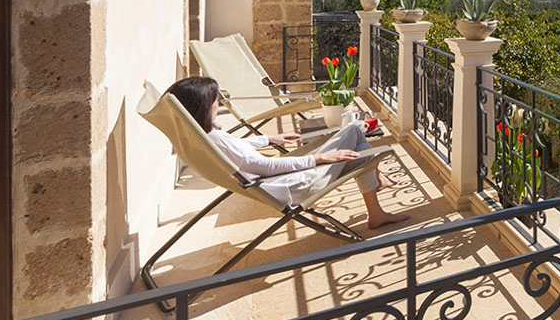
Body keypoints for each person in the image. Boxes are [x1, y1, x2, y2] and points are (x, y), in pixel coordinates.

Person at [164, 76, 409, 230]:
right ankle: (376, 194)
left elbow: (241, 151)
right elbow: (266, 167)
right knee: (356, 137)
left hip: (278, 182)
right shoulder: (215, 138)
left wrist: (269, 138)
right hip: (293, 185)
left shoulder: (206, 137)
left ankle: (376, 200)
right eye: (217, 100)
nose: (220, 102)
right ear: (204, 106)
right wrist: (319, 158)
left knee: (356, 142)